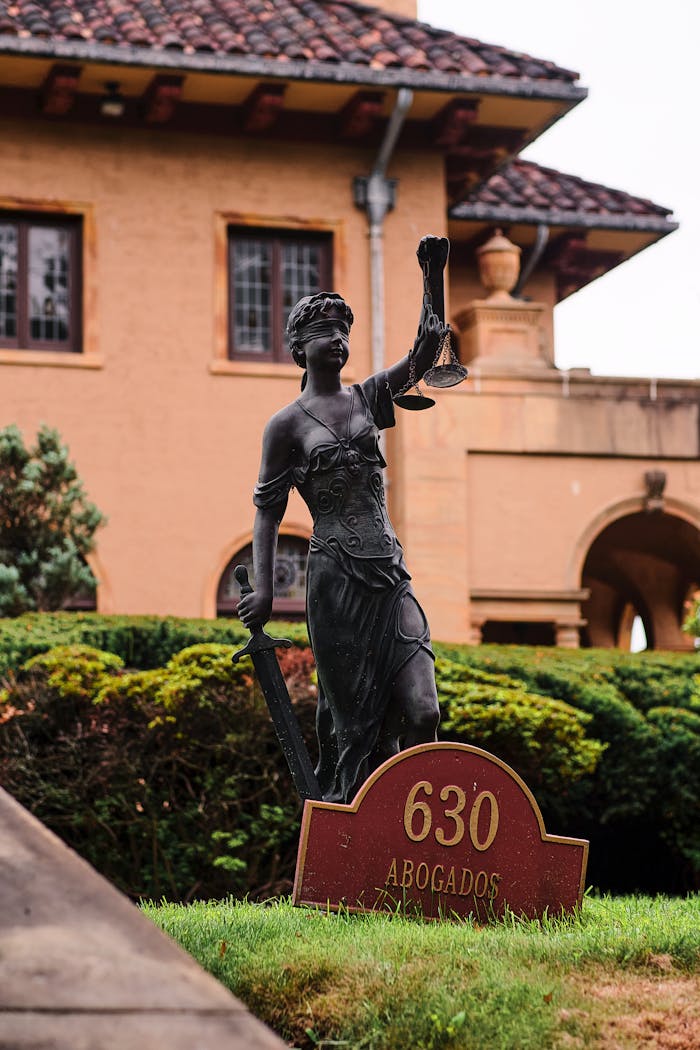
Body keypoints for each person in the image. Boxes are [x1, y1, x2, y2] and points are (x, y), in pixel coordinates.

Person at [238, 289, 446, 803]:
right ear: (298, 347)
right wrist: (264, 589)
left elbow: (425, 354)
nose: (337, 340)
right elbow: (268, 509)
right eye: (323, 332)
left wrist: (432, 275)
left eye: (343, 333)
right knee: (355, 731)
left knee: (424, 710)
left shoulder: (367, 398)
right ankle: (365, 837)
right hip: (336, 585)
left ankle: (425, 834)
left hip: (390, 576)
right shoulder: (285, 425)